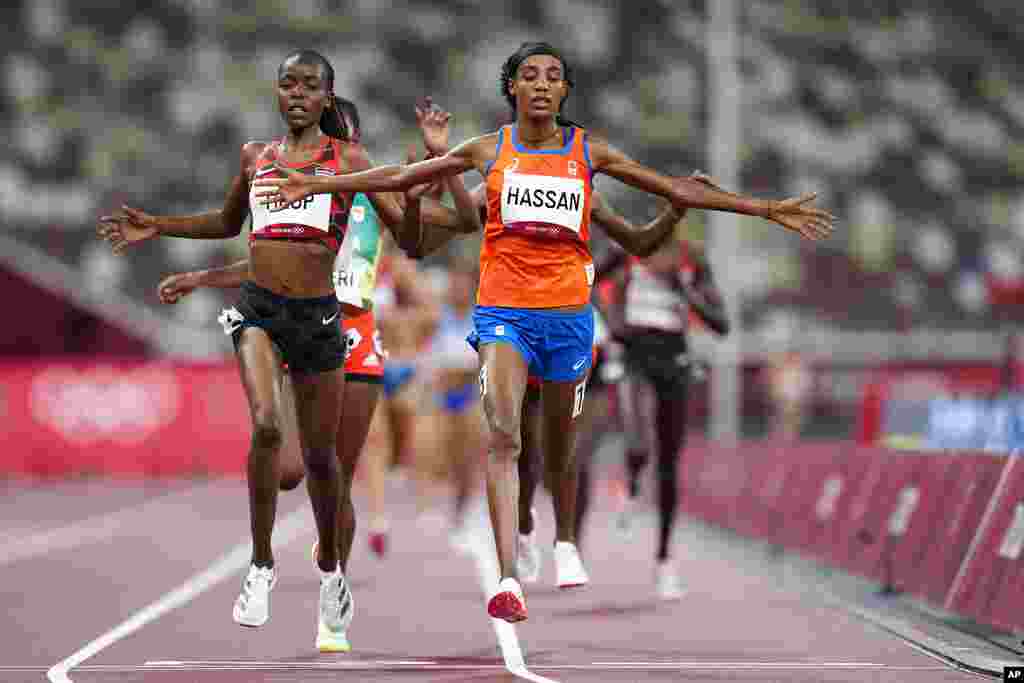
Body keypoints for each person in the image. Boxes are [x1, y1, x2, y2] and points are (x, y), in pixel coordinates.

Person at [253, 42, 833, 623]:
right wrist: (319, 187)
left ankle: (561, 538)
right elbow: (407, 179)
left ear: (563, 91)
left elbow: (672, 193)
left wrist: (764, 208)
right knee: (504, 434)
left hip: (569, 318)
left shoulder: (588, 156)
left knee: (559, 447)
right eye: (528, 76)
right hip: (504, 312)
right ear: (513, 88)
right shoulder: (489, 151)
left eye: (552, 77)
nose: (540, 85)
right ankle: (508, 579)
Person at [97, 51, 475, 648]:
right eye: (289, 86)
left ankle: (333, 593)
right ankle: (264, 563)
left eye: (339, 125)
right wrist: (186, 259)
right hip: (271, 313)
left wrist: (432, 167)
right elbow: (258, 247)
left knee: (331, 472)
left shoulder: (363, 186)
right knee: (281, 453)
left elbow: (444, 226)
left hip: (345, 333)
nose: (330, 134)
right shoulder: (266, 163)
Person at [596, 234, 730, 600]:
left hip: (674, 359)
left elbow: (722, 324)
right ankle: (633, 483)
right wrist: (612, 324)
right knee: (638, 444)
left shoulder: (692, 258)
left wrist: (686, 293)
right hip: (634, 356)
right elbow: (583, 278)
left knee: (670, 460)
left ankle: (664, 559)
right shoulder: (627, 249)